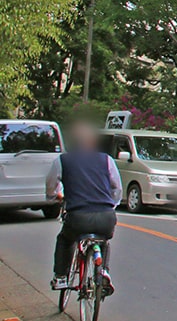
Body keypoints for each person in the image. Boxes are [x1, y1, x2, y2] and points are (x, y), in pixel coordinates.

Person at [46, 122, 121, 294]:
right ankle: (103, 271)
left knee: (65, 239)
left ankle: (60, 277)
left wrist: (54, 196)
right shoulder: (106, 160)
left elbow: (51, 186)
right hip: (106, 217)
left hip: (78, 217)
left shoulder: (63, 161)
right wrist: (112, 204)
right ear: (92, 142)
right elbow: (117, 188)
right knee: (103, 240)